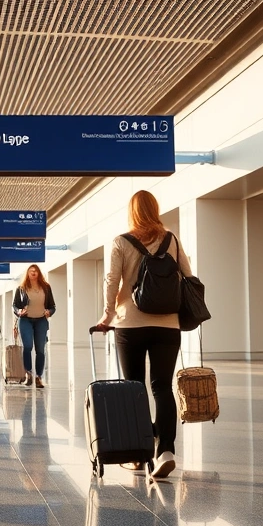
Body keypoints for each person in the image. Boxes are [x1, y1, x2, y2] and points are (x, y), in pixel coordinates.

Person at [93, 190, 193, 480]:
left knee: (134, 389)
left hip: (130, 324)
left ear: (132, 212)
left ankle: (139, 454)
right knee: (162, 387)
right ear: (155, 209)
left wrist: (107, 314)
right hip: (167, 325)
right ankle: (166, 450)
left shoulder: (121, 242)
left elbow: (112, 279)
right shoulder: (171, 239)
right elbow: (187, 274)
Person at [12, 264, 57, 389]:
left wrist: (49, 312)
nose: (33, 272)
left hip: (41, 321)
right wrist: (19, 311)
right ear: (27, 273)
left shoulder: (46, 287)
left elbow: (53, 306)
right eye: (31, 271)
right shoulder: (21, 288)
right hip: (25, 320)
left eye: (36, 271)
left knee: (40, 350)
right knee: (27, 346)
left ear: (39, 273)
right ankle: (28, 374)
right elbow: (15, 305)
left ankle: (39, 377)